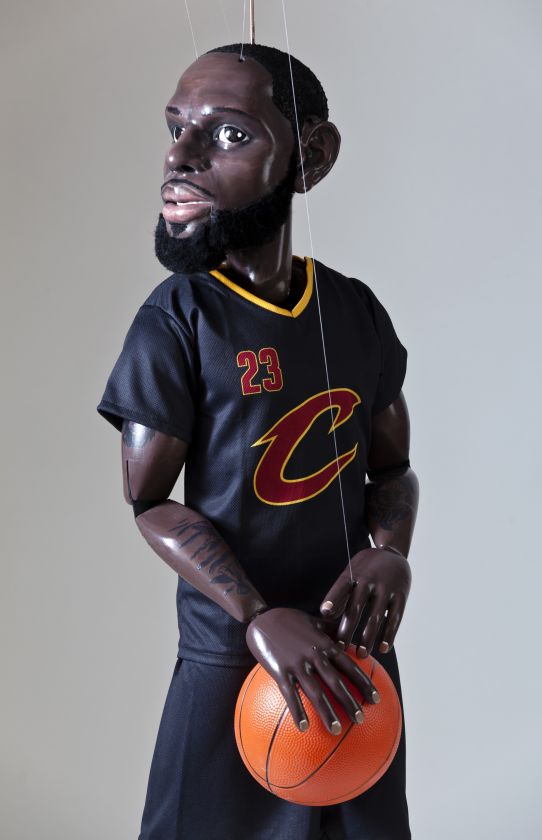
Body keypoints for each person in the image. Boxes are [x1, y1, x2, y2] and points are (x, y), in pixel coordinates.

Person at [97, 42, 419, 840]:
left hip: (351, 657)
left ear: (311, 156)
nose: (180, 156)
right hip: (237, 655)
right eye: (176, 127)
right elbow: (148, 502)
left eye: (229, 134)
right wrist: (255, 616)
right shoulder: (175, 320)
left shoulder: (353, 310)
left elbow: (394, 467)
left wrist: (389, 552)